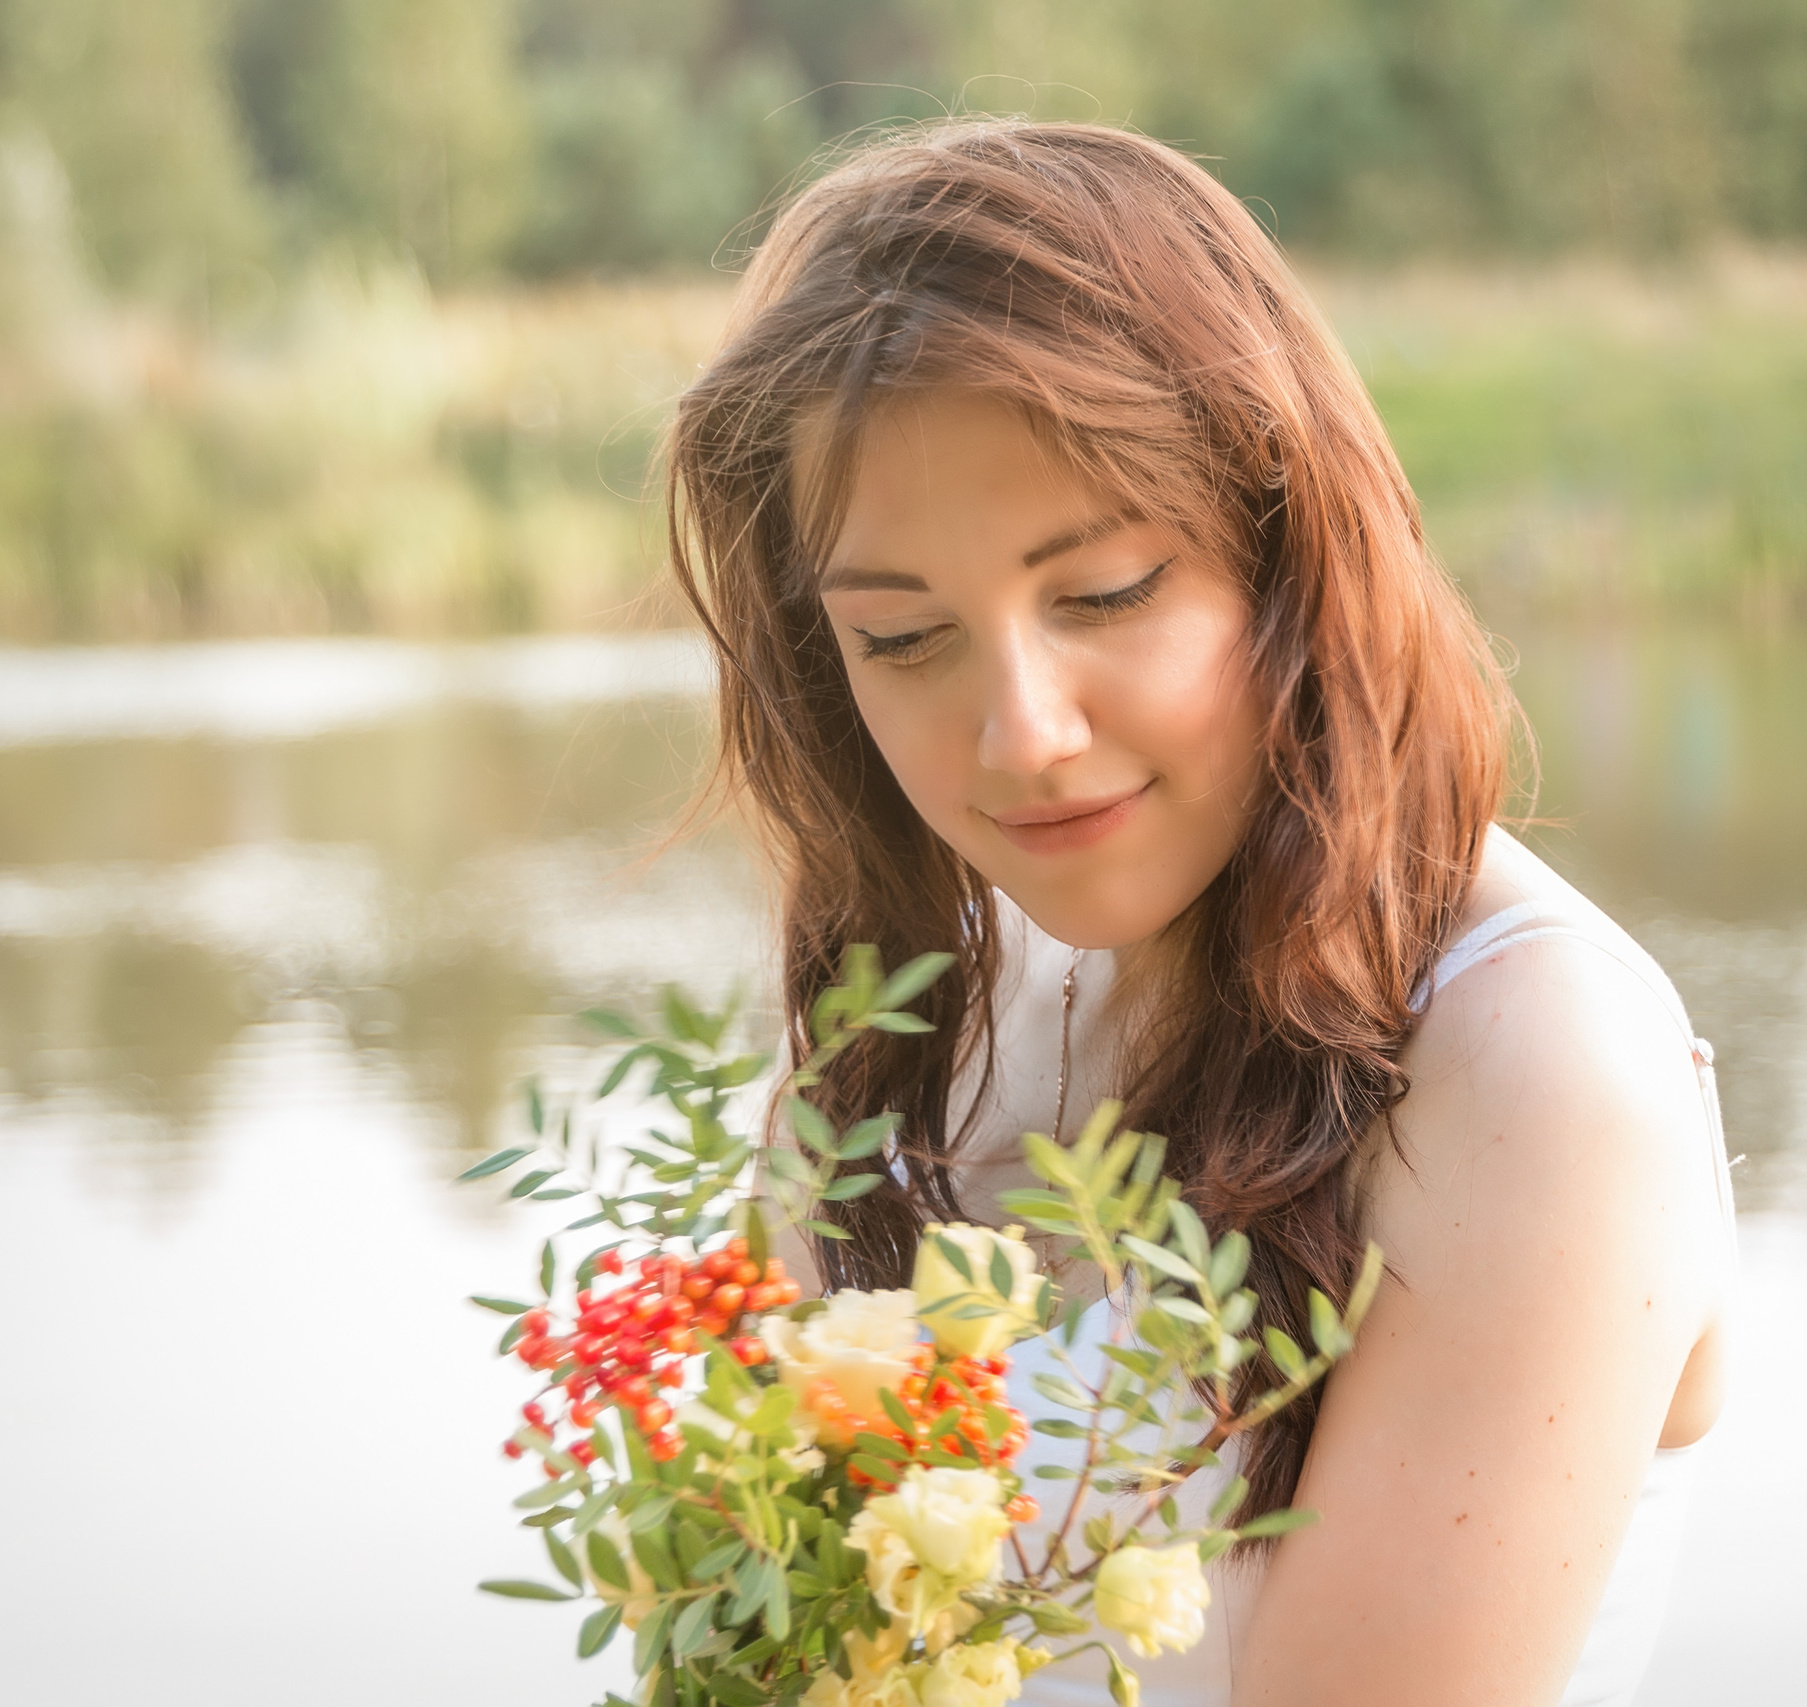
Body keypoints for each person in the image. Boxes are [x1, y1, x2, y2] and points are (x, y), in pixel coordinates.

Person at [668, 120, 1736, 1707]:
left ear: (1287, 550)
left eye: (1103, 595)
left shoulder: (1532, 1066)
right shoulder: (921, 1019)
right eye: (903, 638)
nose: (1023, 732)